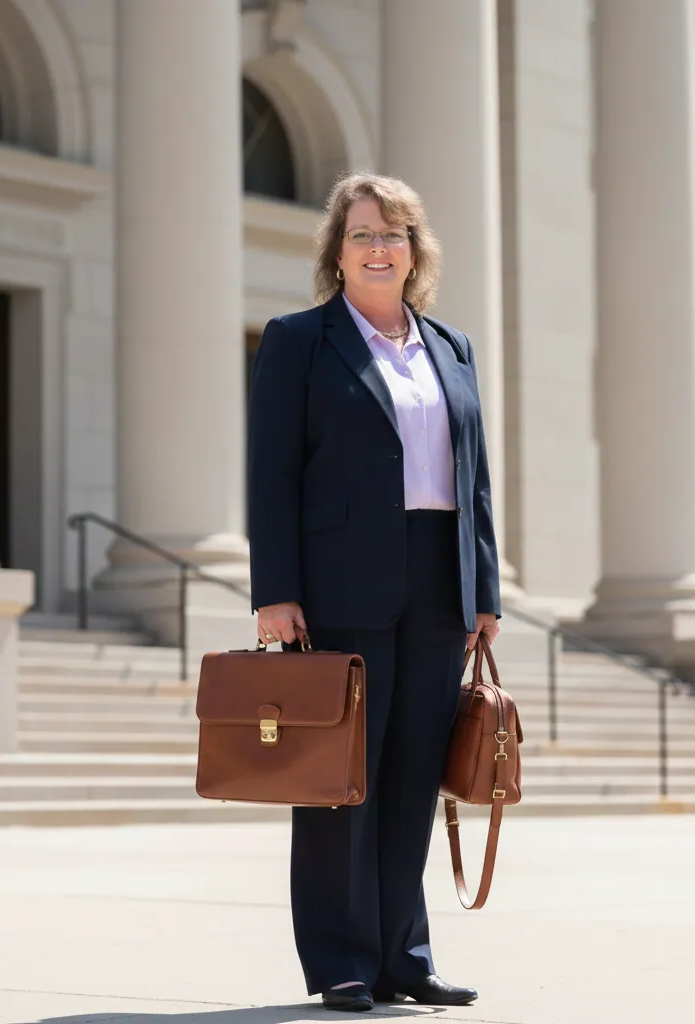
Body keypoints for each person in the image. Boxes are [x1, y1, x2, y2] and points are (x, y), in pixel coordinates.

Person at [247, 172, 501, 1013]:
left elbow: (476, 482)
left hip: (438, 586)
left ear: (415, 251)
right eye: (362, 234)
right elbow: (273, 474)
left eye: (394, 233)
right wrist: (276, 589)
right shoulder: (298, 342)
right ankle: (340, 961)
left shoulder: (452, 348)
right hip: (338, 588)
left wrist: (484, 590)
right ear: (337, 251)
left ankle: (404, 957)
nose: (379, 247)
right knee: (337, 778)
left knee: (411, 779)